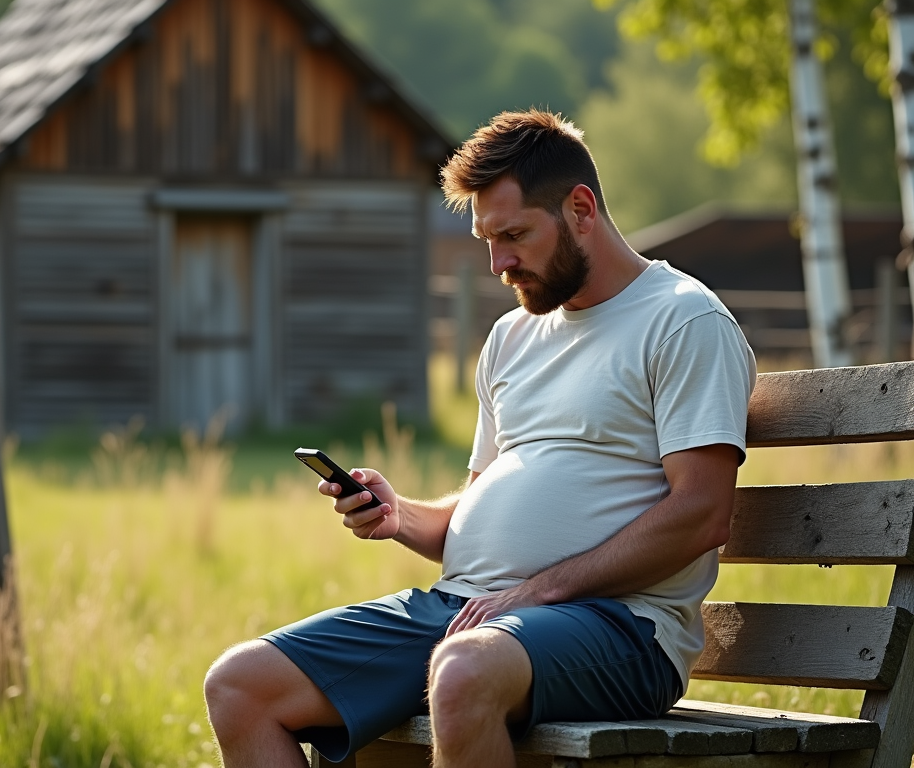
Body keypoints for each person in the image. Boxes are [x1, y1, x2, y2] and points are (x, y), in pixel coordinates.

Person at [203, 109, 756, 768]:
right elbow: (478, 508)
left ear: (581, 209)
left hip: (619, 627)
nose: (499, 264)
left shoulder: (682, 320)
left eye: (515, 235)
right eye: (486, 240)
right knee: (239, 686)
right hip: (468, 614)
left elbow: (701, 513)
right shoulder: (511, 339)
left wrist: (538, 590)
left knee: (461, 671)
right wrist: (400, 514)